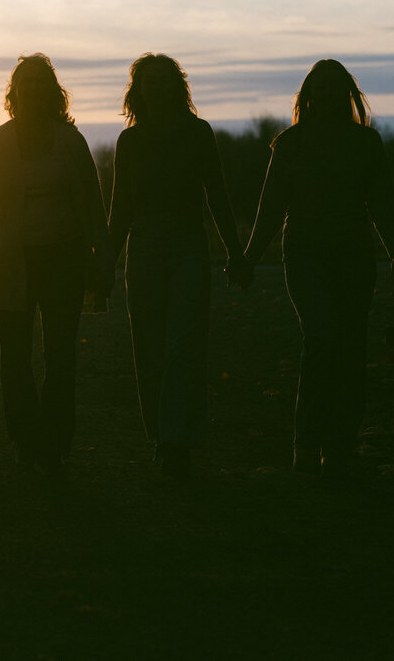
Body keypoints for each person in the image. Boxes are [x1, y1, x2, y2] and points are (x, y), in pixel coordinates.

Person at [0, 55, 111, 477]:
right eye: (25, 83)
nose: (32, 89)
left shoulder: (71, 143)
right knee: (15, 359)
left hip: (63, 261)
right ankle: (24, 439)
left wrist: (102, 261)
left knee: (60, 358)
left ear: (53, 92)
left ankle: (54, 443)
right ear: (13, 93)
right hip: (8, 262)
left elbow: (92, 207)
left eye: (40, 82)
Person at [238, 59, 394, 481]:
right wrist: (249, 257)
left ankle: (339, 446)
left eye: (337, 87)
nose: (329, 95)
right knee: (322, 338)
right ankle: (308, 441)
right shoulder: (290, 144)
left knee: (350, 348)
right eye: (322, 88)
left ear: (347, 93)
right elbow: (271, 208)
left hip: (353, 253)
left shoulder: (366, 143)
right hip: (305, 253)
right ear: (309, 95)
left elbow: (383, 203)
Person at [106, 54, 244, 479]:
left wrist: (236, 251)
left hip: (187, 244)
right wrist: (104, 267)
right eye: (149, 82)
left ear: (177, 87)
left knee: (184, 342)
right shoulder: (129, 143)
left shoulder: (197, 134)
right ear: (139, 90)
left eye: (164, 81)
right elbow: (120, 211)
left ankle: (175, 440)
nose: (157, 88)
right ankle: (164, 436)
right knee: (149, 345)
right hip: (144, 246)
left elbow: (216, 193)